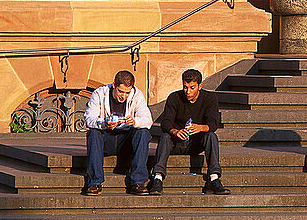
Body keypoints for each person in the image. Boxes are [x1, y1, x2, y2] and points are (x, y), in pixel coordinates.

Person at [147, 68, 229, 196]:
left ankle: (214, 178)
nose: (188, 91)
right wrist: (175, 131)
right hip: (176, 142)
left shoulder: (210, 98)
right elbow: (166, 122)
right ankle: (157, 178)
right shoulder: (174, 97)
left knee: (211, 136)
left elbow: (214, 123)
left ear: (200, 86)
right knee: (165, 137)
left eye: (192, 87)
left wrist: (200, 127)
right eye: (185, 87)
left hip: (196, 142)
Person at [82, 70, 153, 196]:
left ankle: (138, 182)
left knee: (143, 132)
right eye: (120, 91)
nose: (123, 96)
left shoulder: (137, 95)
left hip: (125, 141)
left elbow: (148, 120)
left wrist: (135, 121)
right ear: (114, 85)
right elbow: (89, 119)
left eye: (127, 92)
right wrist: (104, 123)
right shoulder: (99, 93)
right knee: (93, 132)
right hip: (106, 138)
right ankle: (94, 182)